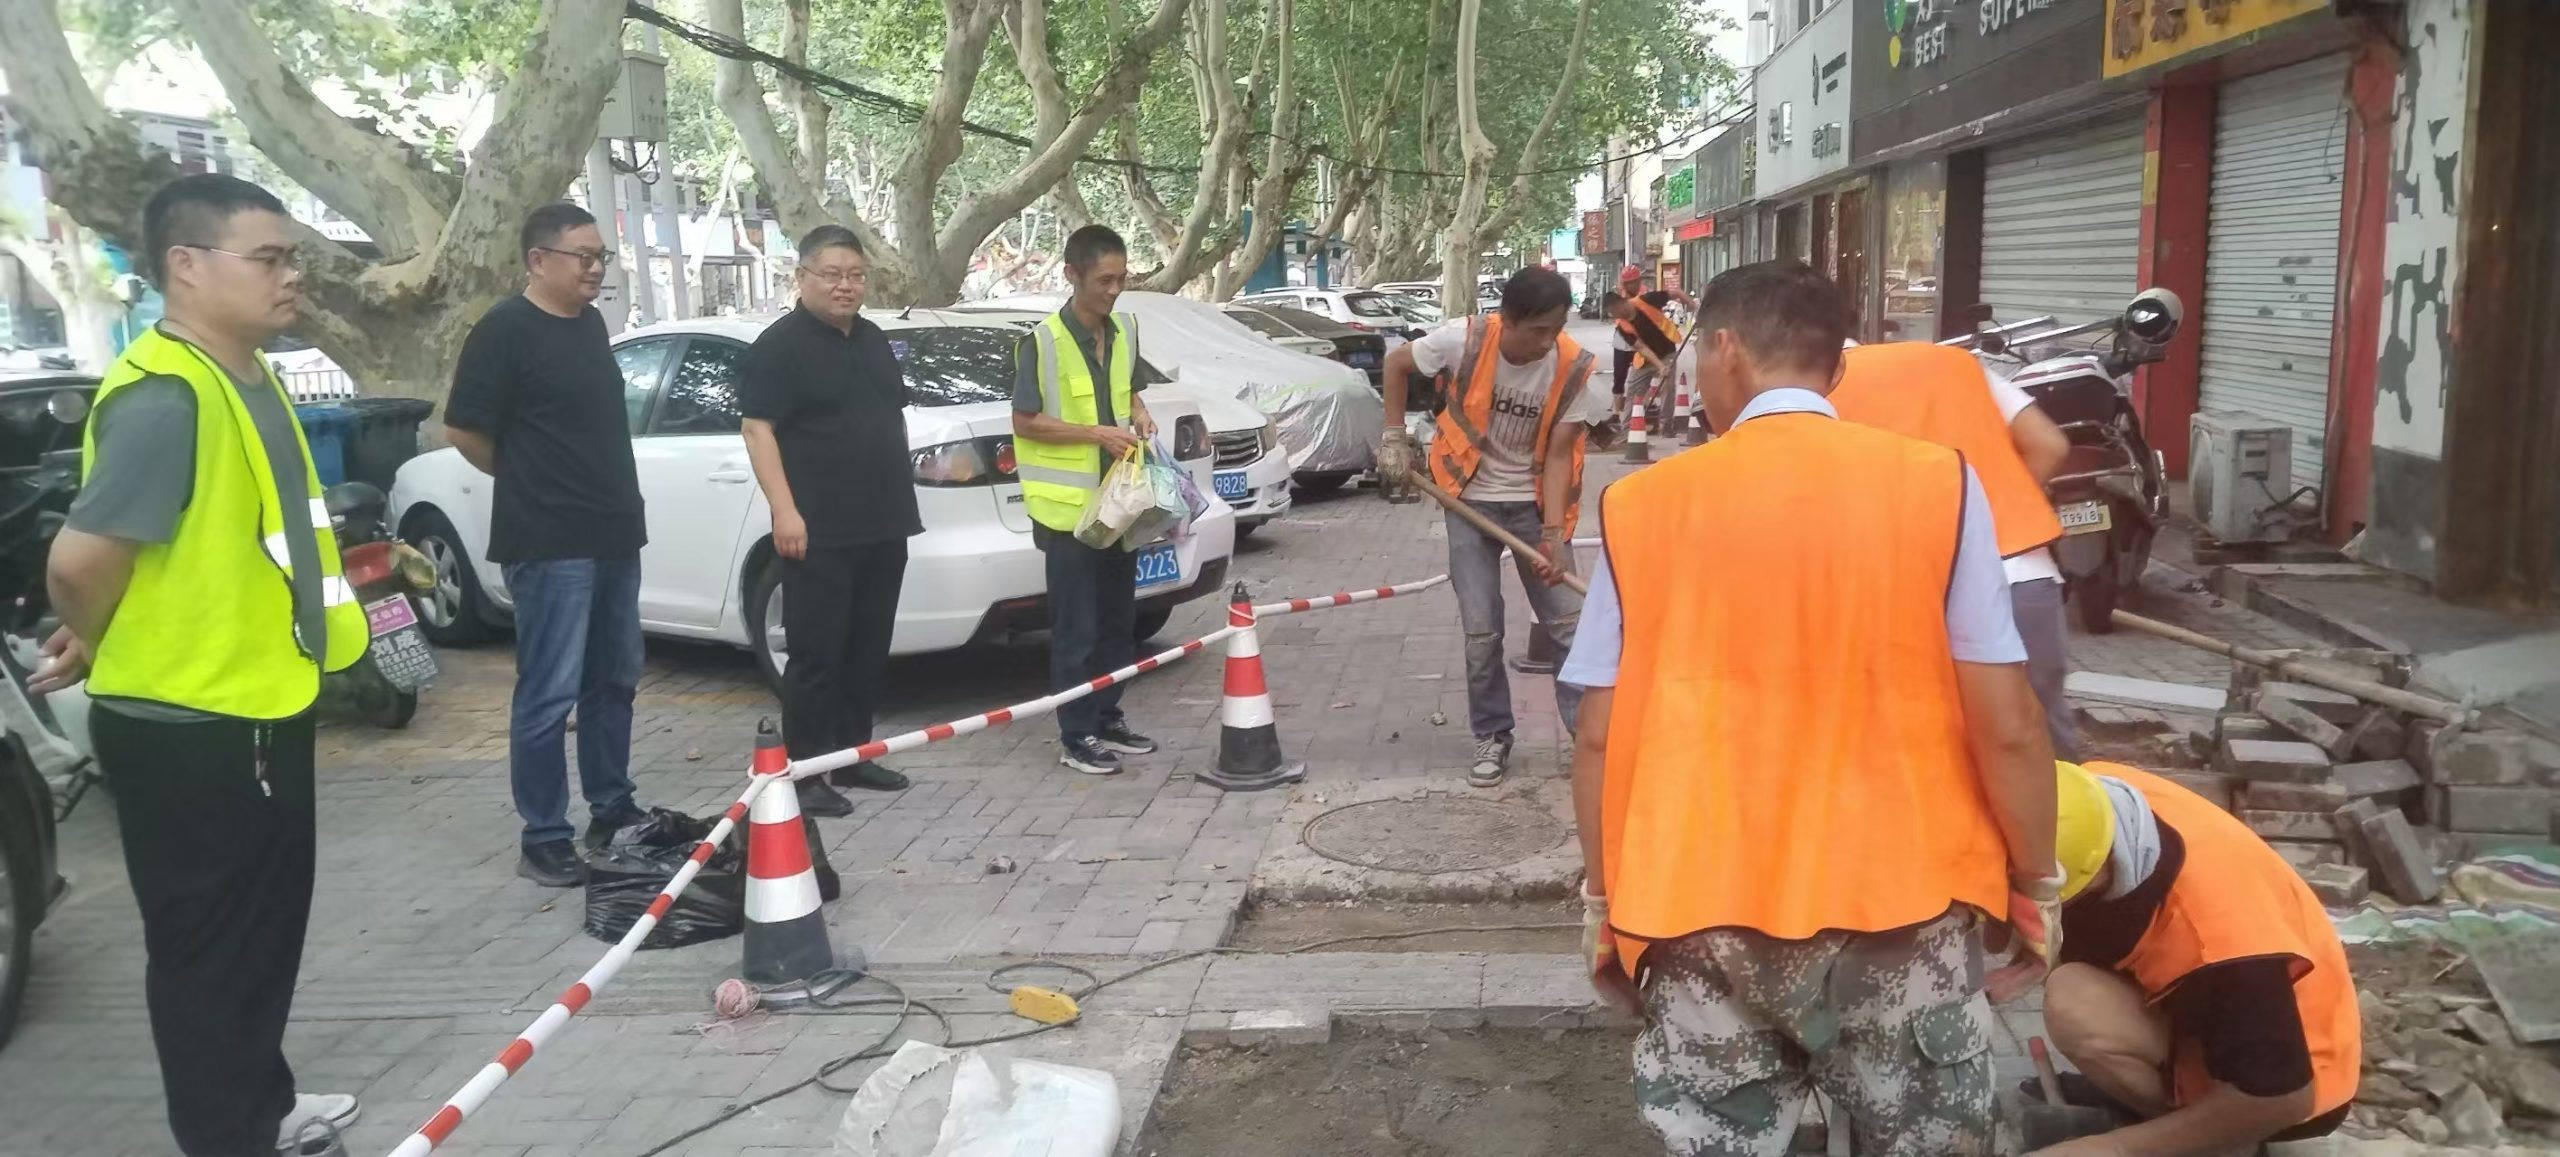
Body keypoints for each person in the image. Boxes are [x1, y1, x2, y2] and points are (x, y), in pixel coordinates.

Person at [1560, 260, 2063, 1156]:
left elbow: (1598, 735)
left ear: (1725, 350)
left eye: (1695, 359)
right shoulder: (1940, 485)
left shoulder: (1642, 506)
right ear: (1833, 370)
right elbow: (2011, 724)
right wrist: (2035, 882)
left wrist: (1603, 899)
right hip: (1905, 900)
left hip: (1698, 905)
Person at [34, 173, 367, 1154]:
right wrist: (98, 630)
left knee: (263, 930)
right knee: (208, 950)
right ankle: (226, 1134)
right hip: (190, 724)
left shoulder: (245, 377)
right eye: (268, 257)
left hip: (259, 699)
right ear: (185, 265)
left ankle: (261, 1103)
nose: (291, 274)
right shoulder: (167, 395)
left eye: (293, 256)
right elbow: (78, 565)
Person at [444, 202, 651, 887]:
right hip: (548, 538)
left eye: (601, 258)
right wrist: (530, 477)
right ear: (538, 260)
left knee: (613, 680)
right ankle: (544, 835)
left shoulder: (590, 325)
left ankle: (612, 808)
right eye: (583, 257)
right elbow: (463, 430)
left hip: (614, 530)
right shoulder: (504, 331)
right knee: (549, 691)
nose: (596, 269)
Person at [2007, 761, 2360, 1156]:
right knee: (2070, 975)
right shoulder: (2086, 797)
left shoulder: (2222, 941)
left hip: (2296, 1083)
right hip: (2214, 1012)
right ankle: (2172, 1113)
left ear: (2089, 874)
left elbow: (2285, 1097)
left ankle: (2213, 1137)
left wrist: (2111, 1149)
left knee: (2075, 1002)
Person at [1377, 267, 1592, 787]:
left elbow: (1559, 456)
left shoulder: (1572, 365)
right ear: (1507, 321)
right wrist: (1393, 436)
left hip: (1532, 506)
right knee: (1482, 631)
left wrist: (1554, 535)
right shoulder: (1465, 340)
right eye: (1538, 330)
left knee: (1570, 627)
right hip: (1468, 502)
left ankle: (1589, 739)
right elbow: (1396, 363)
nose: (1548, 341)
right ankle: (1492, 736)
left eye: (1557, 328)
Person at [739, 225, 920, 817]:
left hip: (883, 520)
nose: (846, 286)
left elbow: (890, 417)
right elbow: (757, 429)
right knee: (816, 652)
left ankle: (853, 753)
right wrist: (784, 510)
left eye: (856, 275)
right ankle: (807, 770)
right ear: (802, 277)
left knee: (867, 647)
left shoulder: (872, 339)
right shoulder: (780, 347)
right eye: (833, 275)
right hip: (817, 526)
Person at [1832, 341, 2079, 758]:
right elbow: (2050, 445)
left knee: (1928, 751)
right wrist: (1985, 517)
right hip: (2023, 574)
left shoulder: (1819, 390)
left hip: (1912, 594)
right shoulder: (1956, 364)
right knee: (2043, 744)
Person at [1011, 225, 1160, 775]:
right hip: (1068, 514)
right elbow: (1024, 421)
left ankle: (1108, 716)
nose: (1114, 290)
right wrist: (1096, 434)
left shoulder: (1124, 331)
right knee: (1076, 630)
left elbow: (1128, 388)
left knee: (1118, 623)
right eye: (1104, 280)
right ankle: (1076, 735)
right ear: (1072, 275)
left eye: (1122, 279)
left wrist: (1139, 411)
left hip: (1119, 506)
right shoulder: (1043, 342)